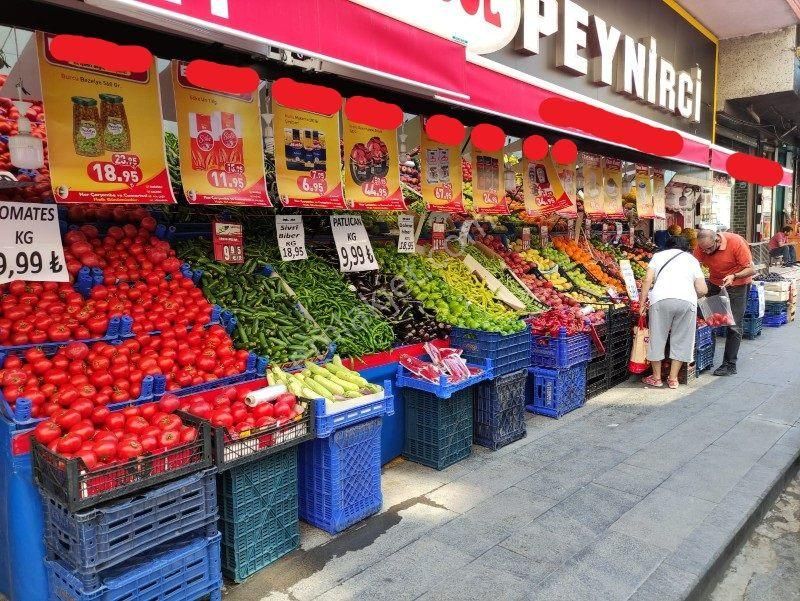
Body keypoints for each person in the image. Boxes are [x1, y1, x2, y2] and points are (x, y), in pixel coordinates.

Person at [639, 236, 708, 388]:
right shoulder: (692, 260)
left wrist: (642, 303)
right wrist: (688, 296)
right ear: (685, 248)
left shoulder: (658, 256)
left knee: (657, 337)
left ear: (667, 246)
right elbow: (703, 289)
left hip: (661, 299)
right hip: (686, 301)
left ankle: (656, 378)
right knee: (682, 339)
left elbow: (647, 280)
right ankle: (673, 379)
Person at [694, 229, 756, 376]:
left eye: (709, 248)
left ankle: (729, 364)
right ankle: (708, 358)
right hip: (715, 283)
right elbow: (694, 264)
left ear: (717, 240)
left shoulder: (736, 242)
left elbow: (751, 269)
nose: (706, 252)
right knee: (710, 319)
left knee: (733, 324)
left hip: (738, 284)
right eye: (703, 249)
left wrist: (734, 276)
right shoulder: (701, 248)